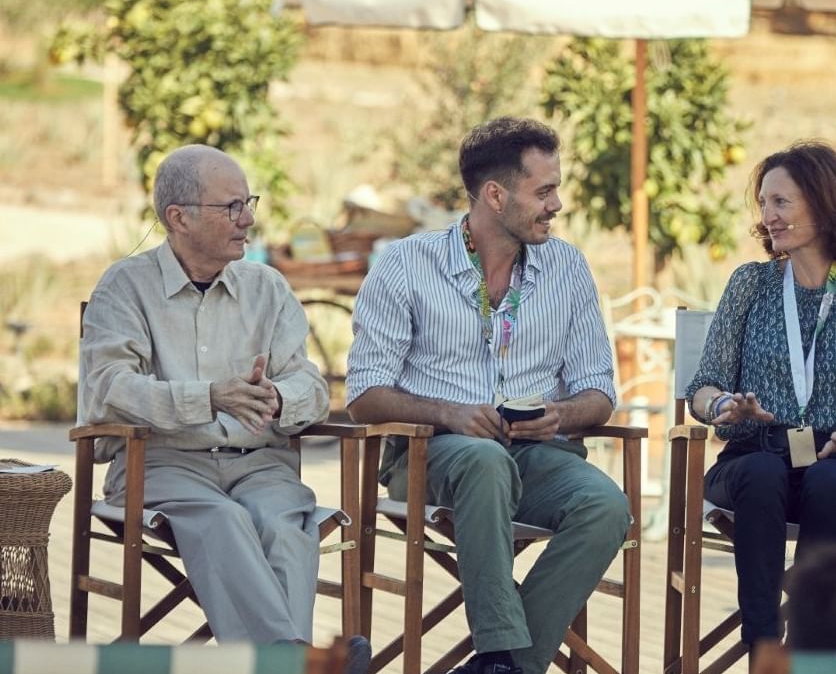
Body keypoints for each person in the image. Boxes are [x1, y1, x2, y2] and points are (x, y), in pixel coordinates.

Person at [346, 117, 630, 674]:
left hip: (537, 453)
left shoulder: (568, 268)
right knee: (483, 459)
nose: (557, 204)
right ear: (496, 195)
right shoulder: (406, 264)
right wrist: (448, 413)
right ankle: (500, 653)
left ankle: (501, 668)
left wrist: (561, 414)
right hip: (432, 454)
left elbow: (599, 392)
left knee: (606, 506)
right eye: (544, 191)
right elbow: (364, 395)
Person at [79, 145, 368, 672]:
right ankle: (293, 661)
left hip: (260, 464)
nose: (248, 219)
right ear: (179, 218)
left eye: (248, 202)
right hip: (161, 465)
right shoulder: (124, 287)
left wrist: (280, 397)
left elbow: (309, 382)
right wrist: (209, 396)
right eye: (232, 206)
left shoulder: (268, 288)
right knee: (224, 519)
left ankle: (283, 661)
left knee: (282, 525)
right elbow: (111, 386)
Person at [684, 140, 836, 653]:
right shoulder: (751, 284)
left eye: (782, 202)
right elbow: (702, 386)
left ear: (822, 203)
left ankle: (812, 655)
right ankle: (763, 652)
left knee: (827, 482)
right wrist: (726, 406)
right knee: (761, 472)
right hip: (754, 452)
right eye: (764, 204)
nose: (768, 216)